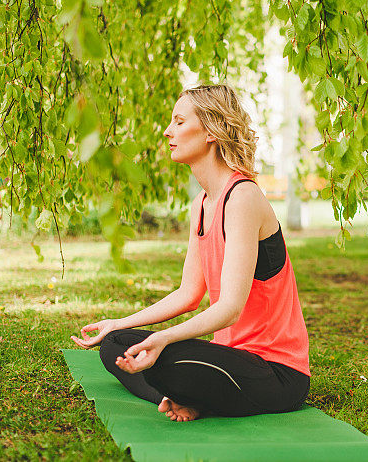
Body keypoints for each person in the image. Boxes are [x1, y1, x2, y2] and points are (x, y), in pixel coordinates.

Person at [71, 83, 310, 422]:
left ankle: (184, 392)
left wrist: (163, 338)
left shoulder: (242, 197)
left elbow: (229, 309)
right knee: (116, 346)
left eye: (179, 122)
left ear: (211, 130)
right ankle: (184, 397)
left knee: (164, 360)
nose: (168, 131)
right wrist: (118, 324)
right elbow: (188, 294)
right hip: (227, 356)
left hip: (275, 371)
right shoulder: (202, 203)